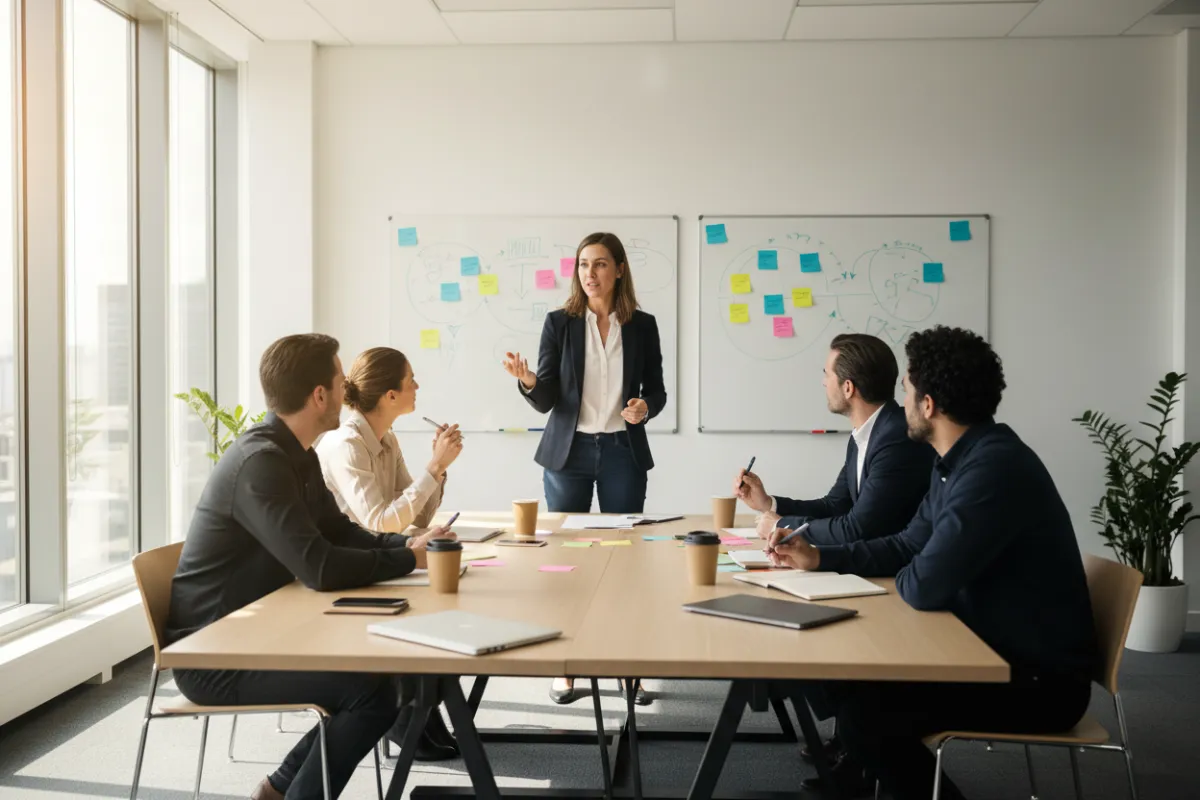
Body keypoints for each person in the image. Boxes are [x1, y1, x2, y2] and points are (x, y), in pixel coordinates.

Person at [766, 326, 1100, 800]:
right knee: (848, 677)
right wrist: (819, 557)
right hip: (986, 645)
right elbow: (907, 544)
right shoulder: (958, 461)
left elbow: (922, 584)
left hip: (1036, 680)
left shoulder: (992, 471)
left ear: (928, 405)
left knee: (867, 718)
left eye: (905, 390)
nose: (899, 401)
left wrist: (911, 567)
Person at [166, 334, 425, 800]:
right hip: (212, 656)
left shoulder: (296, 454)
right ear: (319, 395)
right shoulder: (261, 463)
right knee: (373, 692)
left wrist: (409, 546)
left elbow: (340, 532)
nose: (349, 390)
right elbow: (319, 567)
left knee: (393, 672)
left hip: (263, 631)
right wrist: (405, 559)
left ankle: (279, 788)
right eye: (341, 380)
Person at [501, 231, 666, 706]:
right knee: (565, 563)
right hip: (568, 455)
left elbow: (656, 389)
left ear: (617, 270)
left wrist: (643, 408)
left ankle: (626, 669)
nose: (589, 274)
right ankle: (565, 668)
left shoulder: (642, 325)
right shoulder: (560, 323)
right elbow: (548, 397)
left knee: (622, 563)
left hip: (621, 451)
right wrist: (530, 380)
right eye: (582, 265)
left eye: (599, 265)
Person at [317, 346, 464, 761]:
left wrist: (439, 470)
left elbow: (415, 513)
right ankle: (409, 714)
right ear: (389, 395)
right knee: (435, 601)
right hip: (356, 566)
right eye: (410, 379)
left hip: (385, 556)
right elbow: (383, 520)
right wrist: (432, 469)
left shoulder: (387, 437)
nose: (417, 386)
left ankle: (420, 710)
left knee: (448, 593)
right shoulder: (347, 445)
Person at [733, 333, 933, 545]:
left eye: (827, 375)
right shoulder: (866, 434)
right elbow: (834, 506)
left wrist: (782, 526)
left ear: (848, 387)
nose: (823, 382)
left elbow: (856, 529)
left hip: (892, 571)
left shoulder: (896, 437)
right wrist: (768, 504)